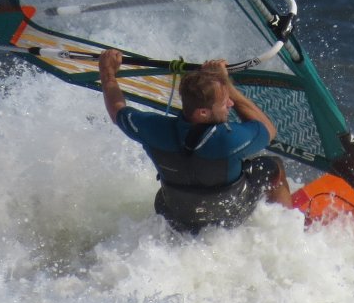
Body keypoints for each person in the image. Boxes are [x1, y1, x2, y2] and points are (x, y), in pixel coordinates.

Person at [98, 48, 293, 233]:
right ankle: (286, 231)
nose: (230, 104)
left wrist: (107, 72)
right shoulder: (229, 139)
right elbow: (269, 129)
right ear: (202, 112)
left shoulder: (152, 128)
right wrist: (227, 84)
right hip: (230, 215)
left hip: (178, 218)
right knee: (272, 166)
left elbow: (117, 111)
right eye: (225, 101)